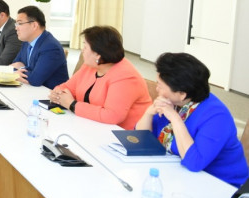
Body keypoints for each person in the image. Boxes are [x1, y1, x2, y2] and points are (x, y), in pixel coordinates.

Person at [135, 52, 248, 187]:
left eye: (160, 85)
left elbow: (194, 162)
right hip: (180, 175)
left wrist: (175, 119)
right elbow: (141, 139)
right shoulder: (174, 103)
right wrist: (149, 113)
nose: (156, 88)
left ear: (182, 94)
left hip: (220, 185)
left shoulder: (217, 117)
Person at [50, 26, 151, 129]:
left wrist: (72, 104)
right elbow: (67, 87)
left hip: (124, 134)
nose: (82, 50)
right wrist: (58, 93)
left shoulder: (126, 77)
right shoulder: (90, 66)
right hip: (93, 125)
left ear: (98, 55)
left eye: (85, 47)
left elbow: (112, 116)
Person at [10, 5, 68, 89]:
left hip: (49, 94)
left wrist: (20, 69)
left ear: (34, 25)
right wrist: (18, 70)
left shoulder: (51, 47)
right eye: (16, 24)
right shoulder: (26, 42)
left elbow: (35, 79)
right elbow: (13, 65)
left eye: (20, 23)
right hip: (30, 89)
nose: (16, 28)